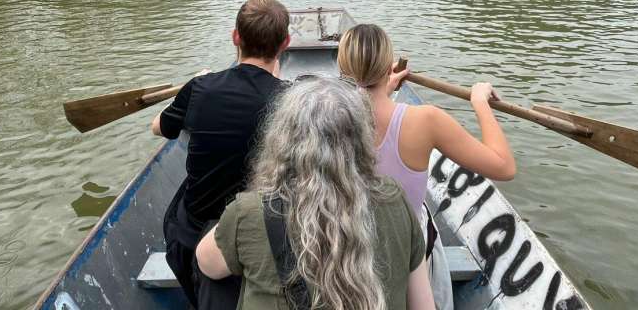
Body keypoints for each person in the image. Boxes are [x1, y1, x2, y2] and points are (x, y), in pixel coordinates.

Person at [196, 77, 435, 310]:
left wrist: (266, 186)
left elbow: (206, 263)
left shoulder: (250, 212)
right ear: (361, 140)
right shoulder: (394, 197)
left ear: (282, 142)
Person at [337, 23, 516, 310]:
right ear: (387, 67)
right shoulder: (425, 121)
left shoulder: (327, 118)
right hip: (409, 251)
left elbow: (364, 101)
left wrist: (382, 87)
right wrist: (479, 102)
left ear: (343, 67)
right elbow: (504, 167)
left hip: (350, 244)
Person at [151, 0, 291, 309]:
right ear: (285, 43)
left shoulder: (200, 89)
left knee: (181, 201)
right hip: (261, 235)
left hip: (194, 233)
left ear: (235, 37)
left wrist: (194, 85)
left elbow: (158, 127)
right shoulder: (291, 101)